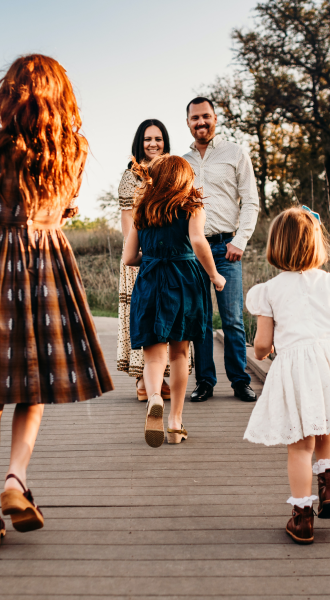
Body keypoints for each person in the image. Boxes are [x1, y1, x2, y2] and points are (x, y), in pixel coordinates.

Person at [0, 55, 114, 550]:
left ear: (9, 95)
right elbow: (70, 203)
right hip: (49, 263)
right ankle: (17, 478)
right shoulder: (72, 149)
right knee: (34, 384)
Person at [244, 206, 330, 544]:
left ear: (276, 246)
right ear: (317, 243)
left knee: (300, 446)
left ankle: (302, 518)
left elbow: (261, 344)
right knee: (327, 426)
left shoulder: (269, 290)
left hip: (295, 368)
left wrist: (261, 353)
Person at [123, 155, 226, 447]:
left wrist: (154, 256)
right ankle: (175, 421)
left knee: (154, 355)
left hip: (151, 280)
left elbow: (129, 257)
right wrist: (215, 275)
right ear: (183, 178)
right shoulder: (192, 207)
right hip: (184, 280)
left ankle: (155, 396)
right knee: (180, 354)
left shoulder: (141, 210)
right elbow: (197, 241)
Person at [183, 97, 259, 403]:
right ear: (187, 122)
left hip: (227, 249)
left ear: (215, 118)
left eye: (206, 117)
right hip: (194, 252)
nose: (201, 123)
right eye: (194, 118)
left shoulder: (235, 153)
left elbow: (250, 200)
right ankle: (205, 382)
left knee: (232, 320)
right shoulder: (181, 162)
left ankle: (240, 381)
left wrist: (240, 241)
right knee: (200, 319)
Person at [117, 119, 175, 401]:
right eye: (148, 139)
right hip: (140, 255)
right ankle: (142, 379)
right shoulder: (132, 176)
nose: (153, 144)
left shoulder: (171, 173)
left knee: (163, 315)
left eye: (159, 139)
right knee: (142, 316)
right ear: (140, 142)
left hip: (167, 257)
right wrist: (139, 255)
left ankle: (159, 378)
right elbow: (128, 221)